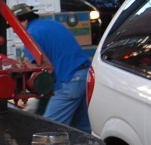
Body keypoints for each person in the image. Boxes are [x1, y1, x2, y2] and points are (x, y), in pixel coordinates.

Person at [11, 3, 92, 133]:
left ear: (24, 20)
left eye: (14, 26)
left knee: (49, 131)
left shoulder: (30, 35)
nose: (14, 31)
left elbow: (43, 71)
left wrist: (30, 95)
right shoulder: (52, 24)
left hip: (69, 80)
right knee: (82, 130)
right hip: (85, 76)